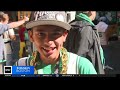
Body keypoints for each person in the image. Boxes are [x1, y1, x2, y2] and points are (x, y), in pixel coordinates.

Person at [15, 11, 97, 74]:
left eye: (55, 34)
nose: (48, 42)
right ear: (31, 36)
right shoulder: (21, 67)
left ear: (64, 35)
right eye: (41, 34)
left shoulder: (81, 66)